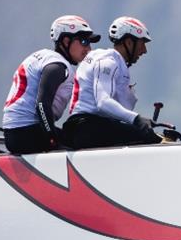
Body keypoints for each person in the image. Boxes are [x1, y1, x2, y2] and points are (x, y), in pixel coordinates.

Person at [2, 15, 101, 154]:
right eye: (84, 41)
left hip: (16, 133)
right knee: (88, 141)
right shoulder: (58, 66)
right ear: (66, 41)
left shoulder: (44, 56)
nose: (89, 49)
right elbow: (42, 105)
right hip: (27, 133)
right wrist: (52, 139)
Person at [64, 16, 161, 149]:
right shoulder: (108, 62)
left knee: (144, 134)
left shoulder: (114, 63)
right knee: (148, 138)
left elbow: (118, 111)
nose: (144, 50)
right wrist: (138, 120)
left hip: (85, 127)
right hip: (86, 127)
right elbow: (103, 102)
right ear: (129, 42)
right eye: (142, 43)